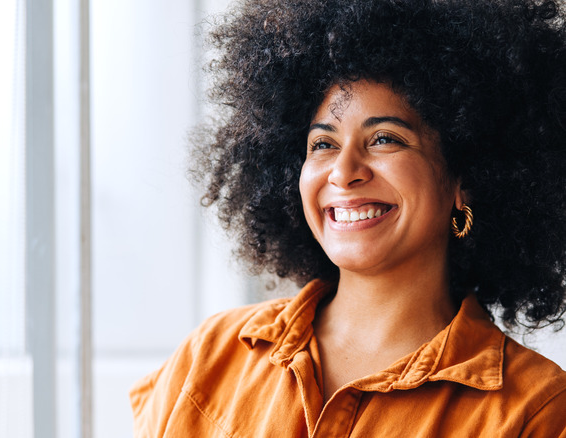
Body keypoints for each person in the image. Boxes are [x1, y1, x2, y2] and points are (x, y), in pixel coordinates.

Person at [130, 0, 566, 436]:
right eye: (322, 144)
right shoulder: (211, 355)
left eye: (383, 138)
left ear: (464, 179)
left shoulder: (536, 410)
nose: (343, 171)